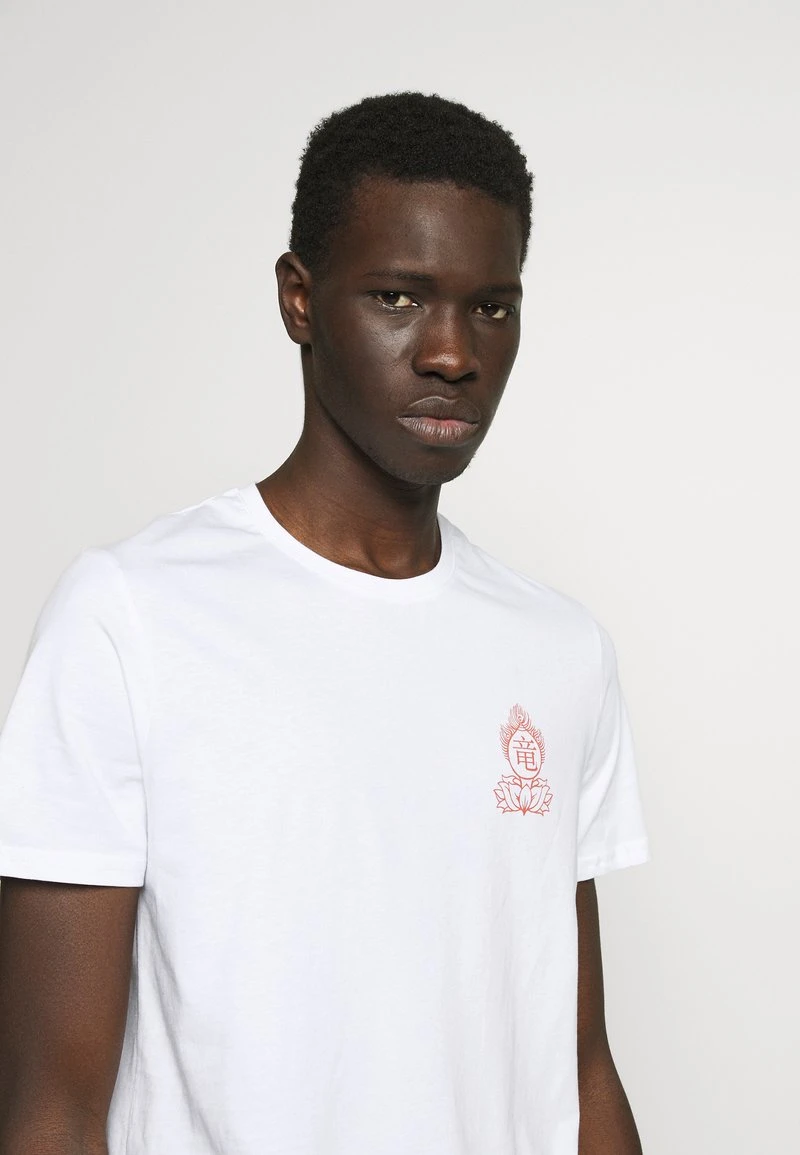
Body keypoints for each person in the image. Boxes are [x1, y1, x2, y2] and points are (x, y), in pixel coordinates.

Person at [0, 92, 651, 1154]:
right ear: (299, 300)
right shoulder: (132, 617)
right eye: (399, 297)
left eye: (492, 307)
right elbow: (51, 1106)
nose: (452, 353)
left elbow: (575, 1069)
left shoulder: (560, 650)